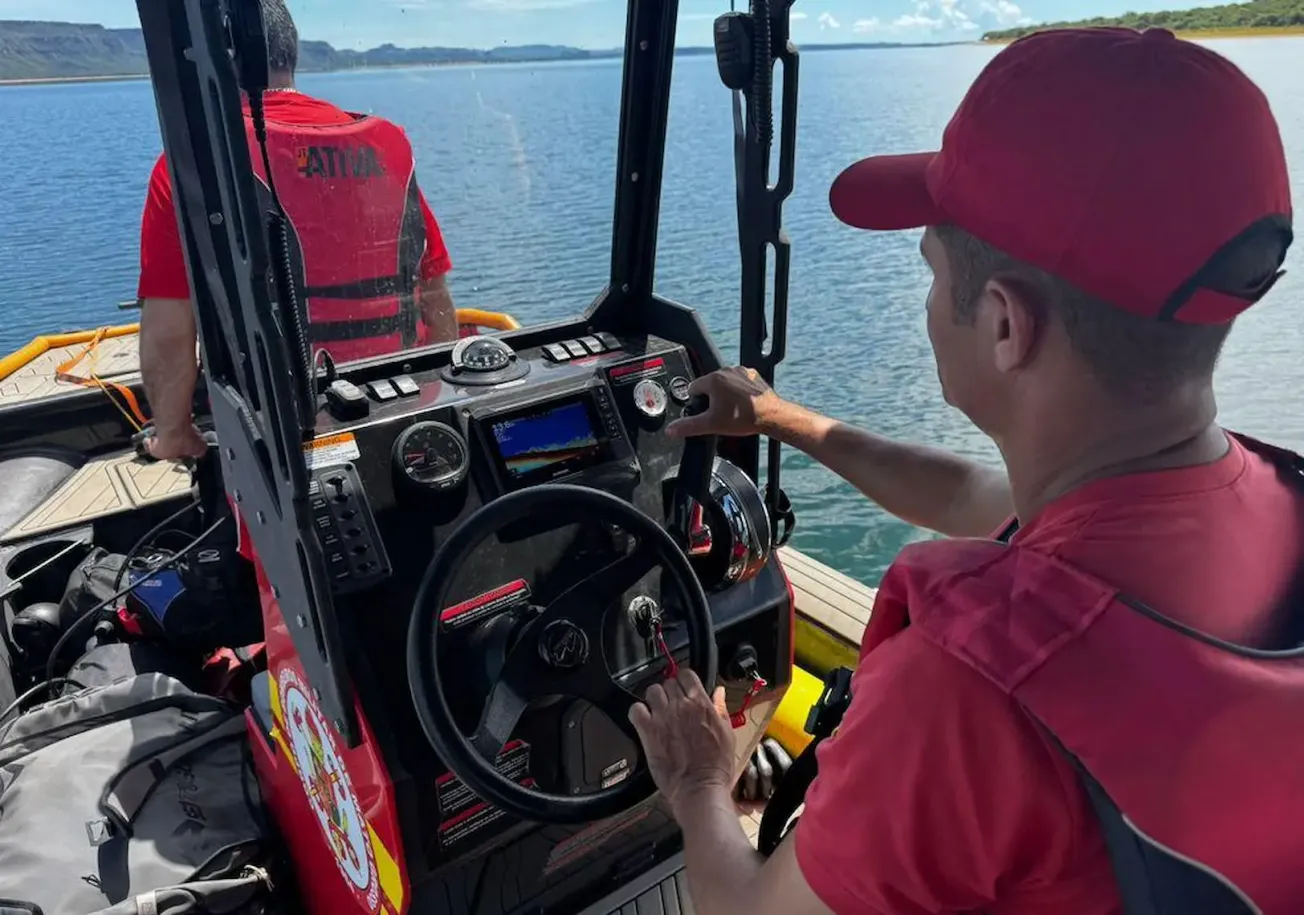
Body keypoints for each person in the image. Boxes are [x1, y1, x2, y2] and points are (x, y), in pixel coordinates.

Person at [629, 26, 1303, 915]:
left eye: (929, 272)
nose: (923, 302)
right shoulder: (1266, 497)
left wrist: (698, 780)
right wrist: (782, 418)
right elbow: (972, 499)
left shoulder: (964, 694)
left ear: (1002, 325)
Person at [137, 0, 458, 461]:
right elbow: (434, 293)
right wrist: (437, 399)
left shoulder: (194, 166)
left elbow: (170, 327)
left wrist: (172, 435)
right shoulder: (389, 143)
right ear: (292, 54)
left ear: (218, 54)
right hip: (402, 407)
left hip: (279, 434)